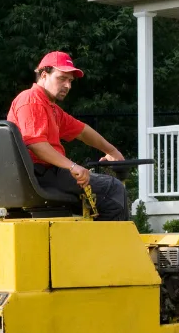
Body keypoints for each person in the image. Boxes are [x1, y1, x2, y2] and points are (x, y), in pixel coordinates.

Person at [7, 51, 128, 221]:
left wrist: (112, 151)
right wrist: (73, 167)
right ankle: (112, 246)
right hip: (39, 174)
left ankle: (93, 243)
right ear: (44, 75)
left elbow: (83, 131)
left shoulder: (52, 108)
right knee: (113, 189)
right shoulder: (32, 100)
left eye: (70, 81)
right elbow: (36, 144)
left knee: (103, 199)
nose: (67, 86)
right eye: (62, 78)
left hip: (46, 175)